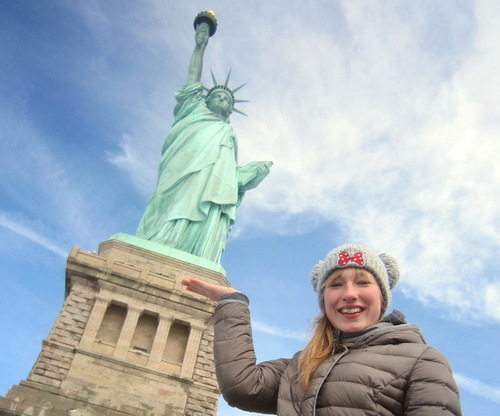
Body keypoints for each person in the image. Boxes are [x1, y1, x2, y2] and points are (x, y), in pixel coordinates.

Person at [181, 244, 462, 415]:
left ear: (382, 296)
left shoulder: (423, 361)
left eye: (363, 282)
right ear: (324, 298)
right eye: (336, 284)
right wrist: (233, 304)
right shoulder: (299, 366)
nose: (349, 294)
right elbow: (242, 388)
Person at [136, 20, 272, 263]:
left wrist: (247, 175)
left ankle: (196, 254)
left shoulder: (227, 135)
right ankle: (159, 242)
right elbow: (192, 76)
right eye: (217, 95)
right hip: (182, 171)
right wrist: (200, 47)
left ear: (231, 110)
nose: (222, 99)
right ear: (205, 101)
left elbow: (229, 177)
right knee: (171, 205)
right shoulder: (192, 111)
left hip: (210, 183)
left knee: (207, 207)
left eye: (226, 99)